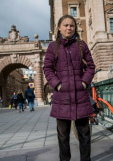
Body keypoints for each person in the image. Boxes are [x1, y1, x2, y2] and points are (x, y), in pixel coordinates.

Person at [43, 14, 95, 161]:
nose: (69, 28)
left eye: (71, 25)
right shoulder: (53, 47)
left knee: (85, 134)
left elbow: (91, 66)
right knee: (63, 136)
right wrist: (57, 85)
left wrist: (84, 82)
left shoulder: (81, 45)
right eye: (65, 25)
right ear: (59, 28)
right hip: (62, 98)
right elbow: (47, 68)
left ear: (75, 28)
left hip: (80, 97)